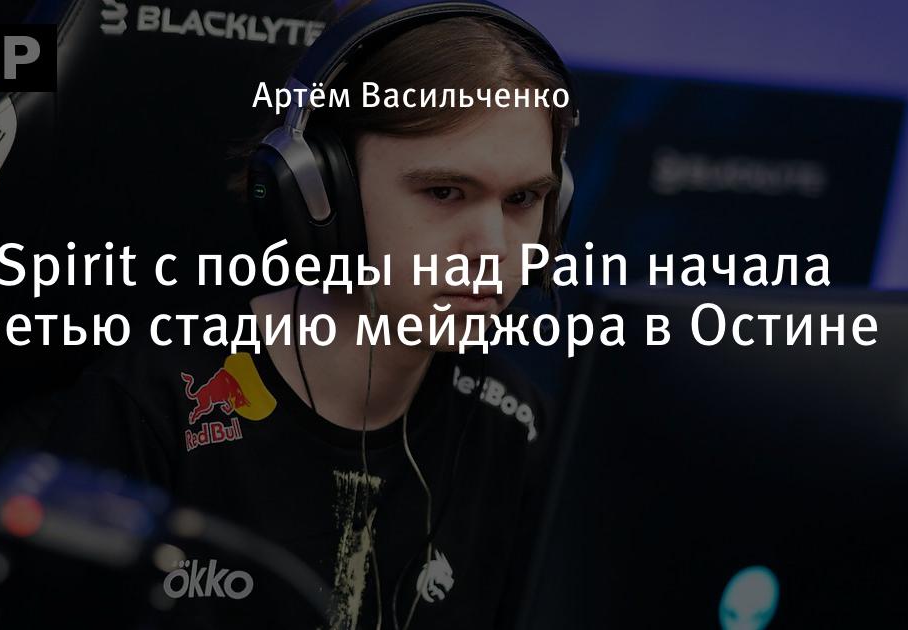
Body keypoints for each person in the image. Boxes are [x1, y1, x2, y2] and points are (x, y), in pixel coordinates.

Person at [41, 2, 576, 627]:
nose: (494, 248)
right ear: (320, 193)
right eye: (443, 192)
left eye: (523, 199)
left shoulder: (521, 432)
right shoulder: (147, 414)